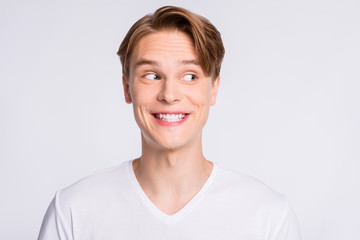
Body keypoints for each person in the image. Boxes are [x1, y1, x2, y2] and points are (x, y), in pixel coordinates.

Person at [38, 6, 301, 240]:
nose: (169, 94)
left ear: (213, 90)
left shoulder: (267, 215)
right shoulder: (72, 211)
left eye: (189, 76)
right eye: (151, 75)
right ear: (127, 88)